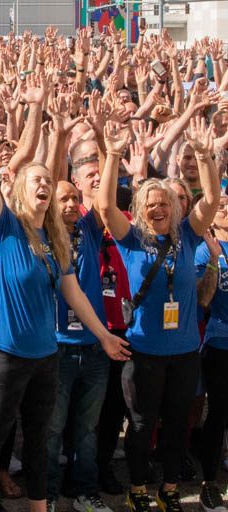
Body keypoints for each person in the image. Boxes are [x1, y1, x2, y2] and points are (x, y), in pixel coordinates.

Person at [0, 102, 128, 512]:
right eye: (37, 179)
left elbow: (74, 294)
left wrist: (105, 336)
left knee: (38, 445)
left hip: (45, 358)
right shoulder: (4, 227)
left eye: (47, 181)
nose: (44, 185)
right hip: (3, 357)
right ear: (21, 189)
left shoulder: (54, 240)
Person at [98, 118, 220, 512]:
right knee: (140, 425)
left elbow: (211, 200)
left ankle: (168, 489)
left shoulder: (188, 236)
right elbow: (104, 206)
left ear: (176, 208)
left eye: (165, 203)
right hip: (144, 352)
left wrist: (204, 155)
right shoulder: (131, 238)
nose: (158, 209)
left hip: (184, 353)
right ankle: (138, 489)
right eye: (150, 204)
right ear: (140, 210)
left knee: (176, 425)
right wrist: (112, 153)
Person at [46, 179, 113, 512]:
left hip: (95, 348)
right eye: (63, 199)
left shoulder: (89, 229)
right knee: (52, 428)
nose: (71, 204)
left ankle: (86, 492)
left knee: (87, 429)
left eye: (75, 198)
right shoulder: (43, 235)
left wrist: (109, 152)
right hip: (57, 348)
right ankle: (46, 495)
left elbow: (105, 200)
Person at [195, 193, 228, 512]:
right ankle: (209, 483)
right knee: (218, 413)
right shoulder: (206, 249)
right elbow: (203, 300)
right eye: (221, 205)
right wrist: (215, 260)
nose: (227, 208)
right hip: (220, 342)